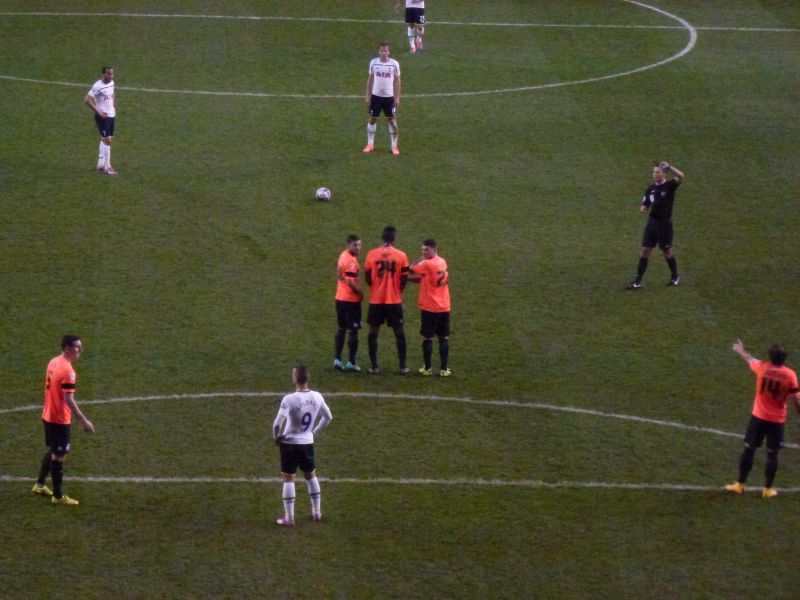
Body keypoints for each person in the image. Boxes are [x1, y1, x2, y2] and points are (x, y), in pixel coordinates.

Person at [725, 340, 799, 498]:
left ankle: (740, 484)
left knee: (749, 449)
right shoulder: (790, 375)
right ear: (784, 359)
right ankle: (767, 489)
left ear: (770, 357)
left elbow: (750, 359)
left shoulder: (762, 367)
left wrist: (740, 350)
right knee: (772, 454)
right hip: (777, 420)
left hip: (758, 417)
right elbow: (796, 399)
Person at [32, 335, 95, 506]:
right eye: (77, 347)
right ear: (67, 348)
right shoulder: (68, 371)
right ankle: (58, 496)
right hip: (59, 419)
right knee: (59, 456)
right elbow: (69, 400)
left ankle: (39, 485)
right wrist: (84, 421)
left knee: (54, 450)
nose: (80, 350)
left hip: (48, 414)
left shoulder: (54, 361)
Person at [272, 365, 333, 526]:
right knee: (311, 476)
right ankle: (317, 512)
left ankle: (290, 519)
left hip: (290, 444)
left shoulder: (289, 399)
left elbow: (277, 424)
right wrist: (313, 432)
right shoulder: (317, 397)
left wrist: (276, 437)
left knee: (288, 479)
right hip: (307, 443)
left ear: (295, 379)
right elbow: (328, 417)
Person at [628, 161, 685, 289]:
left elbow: (681, 176)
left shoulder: (670, 186)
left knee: (667, 251)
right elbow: (646, 202)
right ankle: (637, 281)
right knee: (645, 250)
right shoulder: (651, 188)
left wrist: (670, 167)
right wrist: (643, 207)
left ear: (664, 174)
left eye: (658, 172)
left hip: (664, 224)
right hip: (652, 223)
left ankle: (675, 276)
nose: (655, 174)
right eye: (654, 172)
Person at [364, 226, 411, 374]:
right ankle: (402, 366)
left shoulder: (371, 254)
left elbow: (367, 277)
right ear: (394, 239)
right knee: (399, 332)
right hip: (394, 300)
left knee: (373, 332)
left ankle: (374, 366)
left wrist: (376, 287)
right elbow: (404, 278)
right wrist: (397, 290)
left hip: (376, 299)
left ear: (382, 238)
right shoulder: (401, 256)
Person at [408, 239, 451, 376]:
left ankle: (427, 368)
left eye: (426, 250)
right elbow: (425, 278)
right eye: (423, 250)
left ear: (433, 249)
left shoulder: (426, 264)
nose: (424, 252)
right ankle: (444, 369)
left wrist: (420, 259)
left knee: (427, 338)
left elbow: (411, 268)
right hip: (444, 306)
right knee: (443, 337)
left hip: (430, 307)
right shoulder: (442, 261)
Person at [363, 43, 401, 156]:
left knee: (392, 121)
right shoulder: (373, 63)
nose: (384, 53)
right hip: (376, 97)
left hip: (389, 98)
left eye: (385, 51)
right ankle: (370, 145)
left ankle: (394, 146)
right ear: (379, 52)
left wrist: (397, 97)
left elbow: (398, 81)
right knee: (372, 119)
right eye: (382, 50)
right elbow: (370, 80)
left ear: (389, 52)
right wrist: (367, 95)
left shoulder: (394, 64)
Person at [334, 235, 364, 372]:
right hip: (350, 301)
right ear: (349, 245)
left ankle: (337, 359)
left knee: (341, 329)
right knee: (353, 330)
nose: (357, 248)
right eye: (355, 245)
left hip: (339, 298)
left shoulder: (342, 256)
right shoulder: (351, 261)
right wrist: (360, 293)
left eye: (359, 245)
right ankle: (351, 361)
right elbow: (351, 282)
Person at [84, 66, 118, 176]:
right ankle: (108, 167)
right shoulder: (97, 86)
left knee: (106, 139)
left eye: (112, 74)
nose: (111, 76)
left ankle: (100, 164)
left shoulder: (112, 82)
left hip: (111, 115)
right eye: (108, 74)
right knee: (107, 141)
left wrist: (112, 106)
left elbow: (112, 93)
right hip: (102, 117)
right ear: (103, 74)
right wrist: (98, 110)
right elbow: (87, 100)